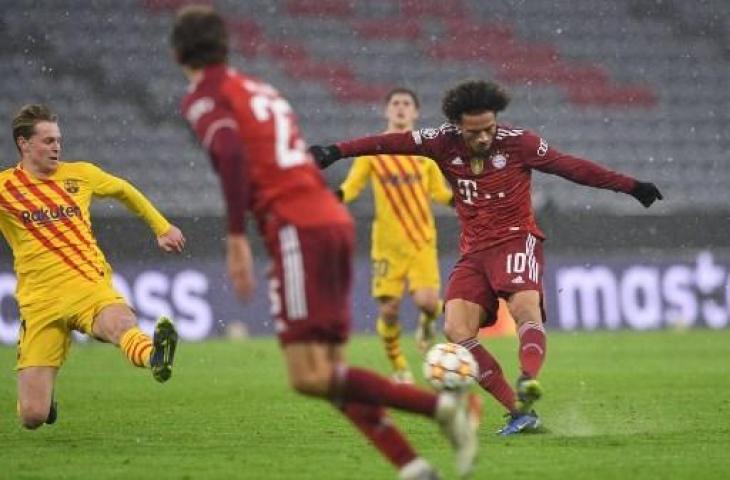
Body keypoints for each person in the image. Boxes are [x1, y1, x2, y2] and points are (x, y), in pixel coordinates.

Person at [171, 7, 480, 479]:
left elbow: (231, 154)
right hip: (330, 222)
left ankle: (441, 408)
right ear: (225, 48)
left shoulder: (203, 96)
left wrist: (236, 236)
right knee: (333, 374)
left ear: (178, 55)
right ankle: (413, 466)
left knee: (307, 375)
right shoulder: (262, 91)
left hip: (297, 227)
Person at [310, 80, 663, 435]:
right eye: (474, 132)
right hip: (474, 252)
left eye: (489, 129)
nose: (483, 138)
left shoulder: (519, 142)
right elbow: (386, 144)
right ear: (457, 125)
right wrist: (336, 151)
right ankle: (520, 412)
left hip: (515, 239)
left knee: (524, 308)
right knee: (455, 328)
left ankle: (528, 378)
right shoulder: (440, 141)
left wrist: (631, 186)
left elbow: (572, 166)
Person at [0, 104, 184, 430]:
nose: (56, 147)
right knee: (32, 417)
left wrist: (162, 227)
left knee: (119, 324)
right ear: (23, 144)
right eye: (47, 141)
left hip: (88, 286)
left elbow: (124, 190)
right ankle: (45, 398)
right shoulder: (5, 189)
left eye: (58, 140)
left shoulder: (80, 175)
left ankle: (154, 356)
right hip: (39, 302)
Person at [337, 87, 452, 383]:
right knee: (389, 311)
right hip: (387, 246)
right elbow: (352, 187)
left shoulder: (426, 154)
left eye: (406, 104)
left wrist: (462, 200)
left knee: (428, 303)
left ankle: (427, 323)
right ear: (386, 111)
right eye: (395, 104)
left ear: (415, 112)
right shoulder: (373, 152)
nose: (401, 108)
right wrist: (333, 197)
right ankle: (400, 367)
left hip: (421, 242)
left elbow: (439, 192)